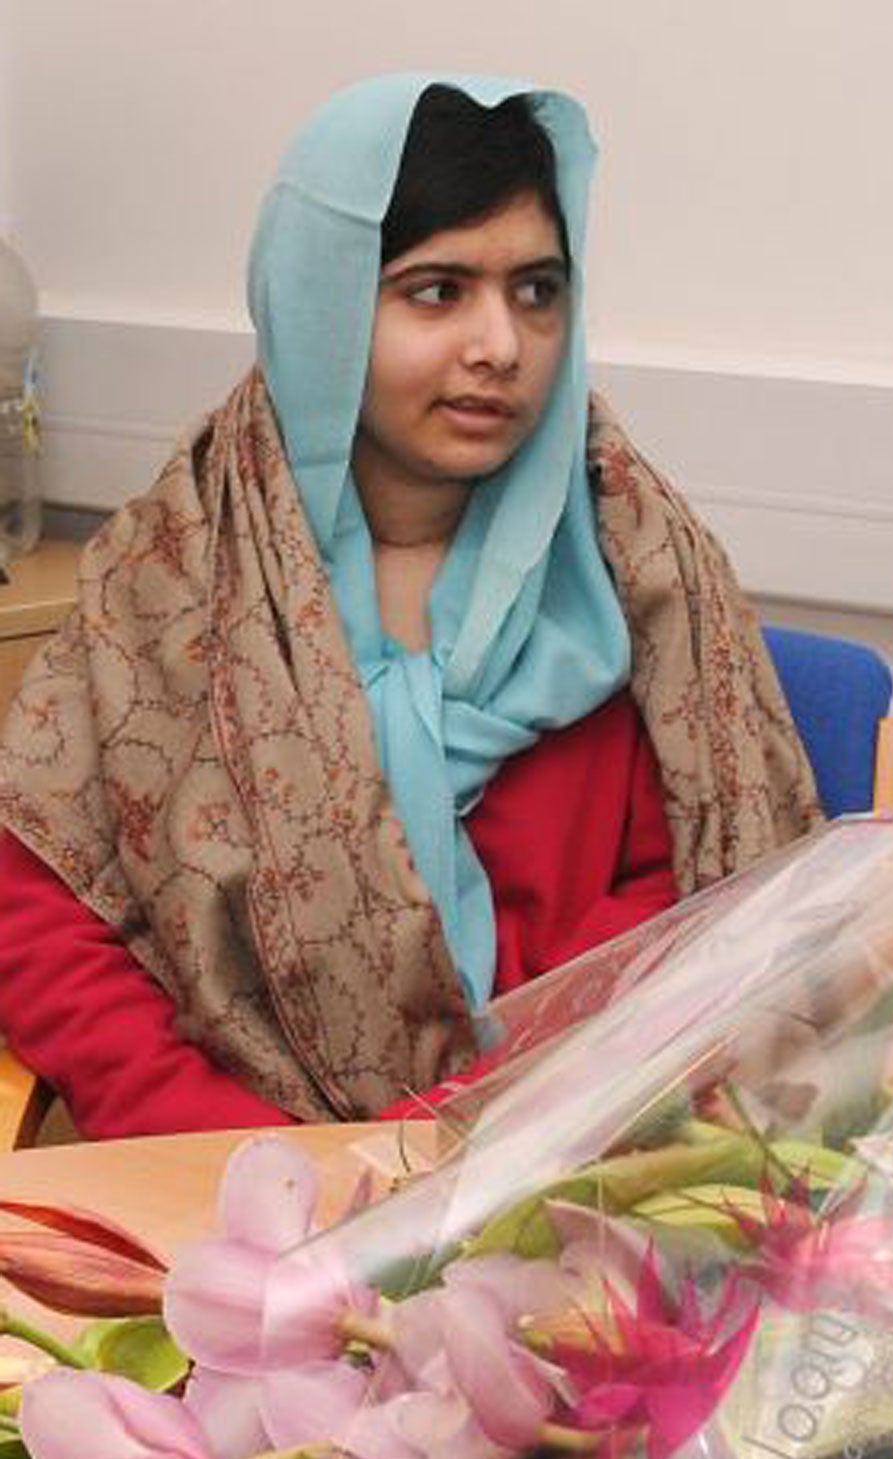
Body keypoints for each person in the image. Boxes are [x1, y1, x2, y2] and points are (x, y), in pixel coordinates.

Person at [0, 77, 822, 1137]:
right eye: (437, 291)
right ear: (320, 301)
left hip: (572, 1158)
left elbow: (693, 892)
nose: (501, 346)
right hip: (237, 1187)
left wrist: (473, 1130)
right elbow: (40, 903)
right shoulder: (171, 579)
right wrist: (217, 1141)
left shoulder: (632, 571)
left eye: (536, 291)